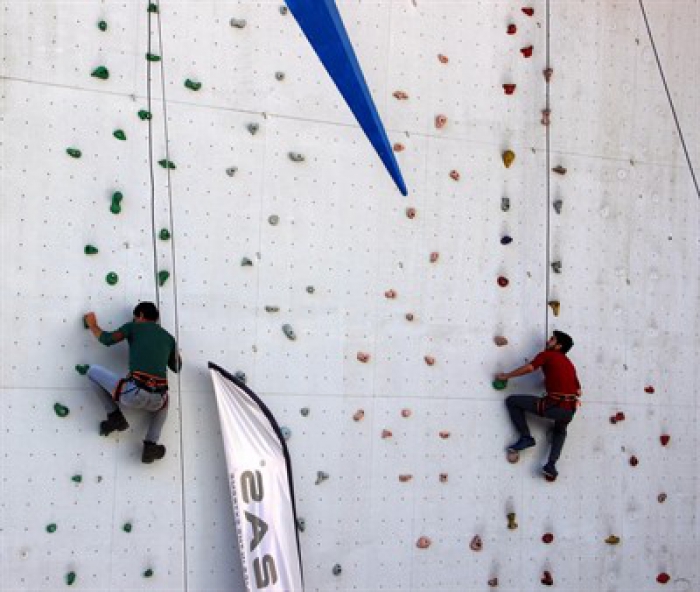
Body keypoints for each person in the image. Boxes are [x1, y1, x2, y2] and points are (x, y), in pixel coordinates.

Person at [83, 302, 181, 464]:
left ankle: (114, 417)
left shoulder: (133, 327)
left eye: (135, 317)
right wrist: (172, 349)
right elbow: (177, 367)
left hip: (133, 393)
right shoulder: (169, 338)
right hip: (157, 401)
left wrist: (93, 325)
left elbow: (106, 339)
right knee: (166, 400)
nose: (134, 320)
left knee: (92, 372)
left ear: (141, 315)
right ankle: (150, 445)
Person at [496, 331, 581, 480]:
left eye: (553, 339)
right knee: (560, 431)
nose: (549, 340)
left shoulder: (547, 355)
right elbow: (578, 390)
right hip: (570, 410)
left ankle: (526, 437)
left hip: (554, 405)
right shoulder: (569, 364)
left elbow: (529, 368)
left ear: (559, 346)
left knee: (512, 401)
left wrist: (506, 376)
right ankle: (551, 465)